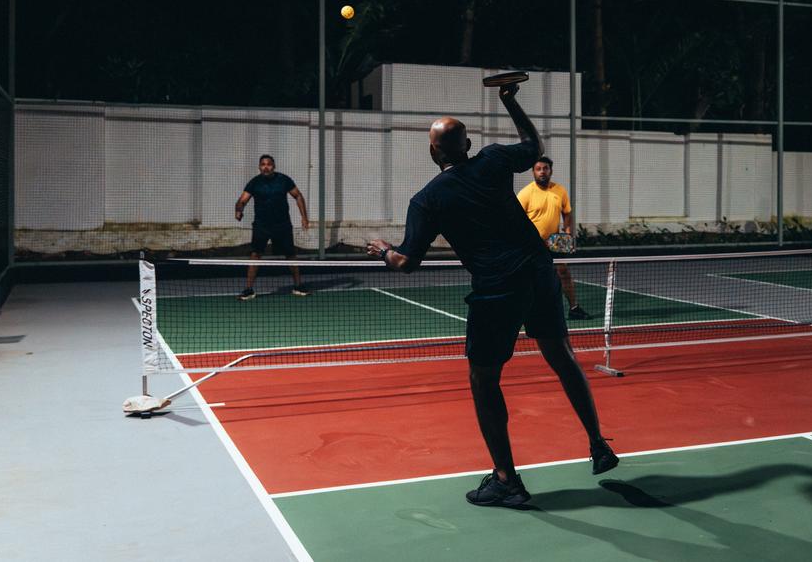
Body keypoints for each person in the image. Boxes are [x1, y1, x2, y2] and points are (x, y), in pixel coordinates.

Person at [365, 82, 617, 508]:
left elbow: (408, 262)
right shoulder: (494, 160)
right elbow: (532, 144)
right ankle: (598, 444)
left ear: (434, 153)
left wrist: (384, 251)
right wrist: (509, 99)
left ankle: (506, 479)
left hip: (497, 289)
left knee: (483, 379)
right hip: (539, 274)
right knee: (561, 355)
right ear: (468, 144)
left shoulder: (427, 200)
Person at [517, 157, 591, 320]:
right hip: (532, 244)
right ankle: (524, 311)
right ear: (533, 172)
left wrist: (567, 233)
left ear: (551, 171)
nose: (542, 172)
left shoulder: (560, 191)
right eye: (538, 169)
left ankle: (574, 308)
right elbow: (516, 219)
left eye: (545, 168)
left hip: (555, 241)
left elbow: (567, 213)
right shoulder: (525, 193)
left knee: (563, 272)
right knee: (529, 277)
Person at [234, 154, 311, 300]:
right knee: (255, 255)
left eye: (269, 164)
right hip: (261, 225)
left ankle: (298, 286)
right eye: (263, 164)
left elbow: (298, 196)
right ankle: (249, 290)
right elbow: (242, 200)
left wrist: (304, 217)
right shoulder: (254, 183)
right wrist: (238, 210)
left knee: (290, 255)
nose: (266, 167)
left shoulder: (283, 180)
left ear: (273, 166)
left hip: (282, 225)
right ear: (259, 167)